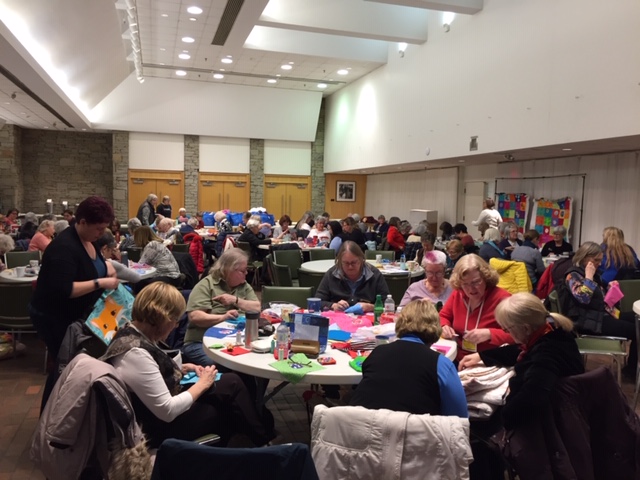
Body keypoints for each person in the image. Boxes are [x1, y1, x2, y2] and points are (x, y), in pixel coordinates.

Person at [101, 282, 274, 449]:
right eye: (175, 321)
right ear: (162, 318)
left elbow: (149, 373)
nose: (175, 325)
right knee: (227, 401)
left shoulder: (131, 332)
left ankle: (258, 438)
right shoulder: (135, 354)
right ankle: (263, 443)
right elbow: (167, 411)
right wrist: (203, 383)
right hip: (156, 428)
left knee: (232, 383)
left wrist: (184, 368)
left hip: (155, 412)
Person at [30, 196, 120, 409]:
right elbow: (65, 289)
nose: (102, 233)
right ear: (82, 222)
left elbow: (94, 264)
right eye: (99, 228)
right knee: (64, 367)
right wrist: (100, 282)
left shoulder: (90, 239)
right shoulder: (63, 247)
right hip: (56, 317)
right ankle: (52, 414)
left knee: (73, 365)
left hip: (77, 314)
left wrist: (107, 267)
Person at [459, 292, 583, 430]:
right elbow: (521, 350)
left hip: (550, 421)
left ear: (525, 328)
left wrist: (500, 424)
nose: (507, 333)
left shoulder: (546, 356)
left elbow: (529, 401)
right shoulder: (552, 332)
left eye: (507, 329)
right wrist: (482, 356)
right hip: (553, 408)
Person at [350, 299, 467, 417]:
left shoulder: (377, 352)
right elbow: (459, 417)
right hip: (412, 427)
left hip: (362, 423)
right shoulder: (441, 364)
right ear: (436, 328)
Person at [555, 241, 637, 378]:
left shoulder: (592, 273)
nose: (599, 263)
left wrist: (609, 287)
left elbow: (599, 295)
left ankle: (632, 367)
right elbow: (583, 298)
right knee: (636, 330)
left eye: (600, 260)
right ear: (584, 257)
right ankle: (631, 371)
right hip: (588, 322)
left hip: (600, 314)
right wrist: (588, 277)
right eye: (596, 260)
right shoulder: (572, 275)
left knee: (637, 319)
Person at [182, 249, 259, 367]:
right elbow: (195, 317)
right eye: (243, 271)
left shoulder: (243, 285)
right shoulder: (206, 285)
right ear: (229, 270)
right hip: (201, 342)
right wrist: (223, 317)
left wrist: (235, 300)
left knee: (255, 359)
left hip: (234, 341)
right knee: (226, 364)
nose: (246, 273)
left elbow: (257, 308)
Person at [439, 254, 513, 361]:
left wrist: (489, 334)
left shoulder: (503, 299)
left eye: (476, 282)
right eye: (465, 284)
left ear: (486, 277)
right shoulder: (458, 294)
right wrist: (444, 326)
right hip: (458, 356)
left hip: (487, 360)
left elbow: (518, 336)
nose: (471, 289)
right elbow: (443, 316)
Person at [315, 241, 390, 312]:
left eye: (354, 262)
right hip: (338, 319)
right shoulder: (332, 274)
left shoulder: (374, 275)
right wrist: (333, 305)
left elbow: (387, 305)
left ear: (361, 260)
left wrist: (370, 307)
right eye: (346, 263)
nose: (350, 267)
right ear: (340, 262)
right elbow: (317, 302)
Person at [134, 226, 182, 290]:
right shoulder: (156, 244)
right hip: (173, 276)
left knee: (138, 283)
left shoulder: (152, 245)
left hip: (169, 277)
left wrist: (131, 265)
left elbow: (141, 265)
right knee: (140, 282)